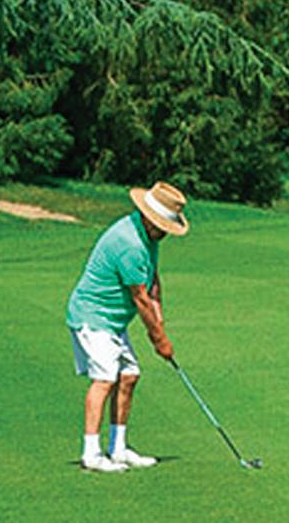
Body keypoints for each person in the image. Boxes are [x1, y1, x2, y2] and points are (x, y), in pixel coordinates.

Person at [63, 181, 188, 472]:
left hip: (114, 322)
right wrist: (159, 339)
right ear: (149, 218)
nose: (166, 233)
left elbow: (152, 283)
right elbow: (140, 298)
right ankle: (91, 454)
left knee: (129, 375)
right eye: (164, 227)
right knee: (105, 379)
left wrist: (160, 325)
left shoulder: (150, 238)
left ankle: (117, 449)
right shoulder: (129, 243)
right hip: (93, 317)